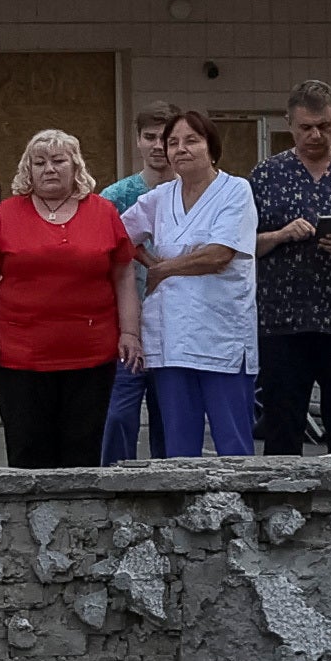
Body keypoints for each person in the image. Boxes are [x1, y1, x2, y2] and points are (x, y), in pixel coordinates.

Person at [0, 128, 138, 469]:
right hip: (20, 357)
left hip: (91, 354)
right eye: (39, 162)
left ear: (76, 167)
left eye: (59, 161)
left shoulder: (103, 212)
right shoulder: (7, 213)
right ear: (27, 169)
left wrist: (130, 332)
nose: (49, 169)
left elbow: (123, 274)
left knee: (83, 450)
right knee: (27, 449)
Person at [240, 81, 331, 455]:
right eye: (306, 127)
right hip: (281, 321)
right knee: (282, 429)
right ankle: (280, 508)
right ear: (289, 124)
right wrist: (281, 235)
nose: (315, 135)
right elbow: (241, 247)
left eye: (324, 125)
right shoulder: (266, 175)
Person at [120, 110, 262, 461]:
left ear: (211, 148)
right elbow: (118, 235)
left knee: (233, 445)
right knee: (178, 448)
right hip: (169, 334)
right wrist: (151, 264)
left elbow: (218, 254)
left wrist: (163, 269)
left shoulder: (235, 190)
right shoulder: (159, 197)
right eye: (173, 143)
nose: (180, 149)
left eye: (191, 141)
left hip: (221, 336)